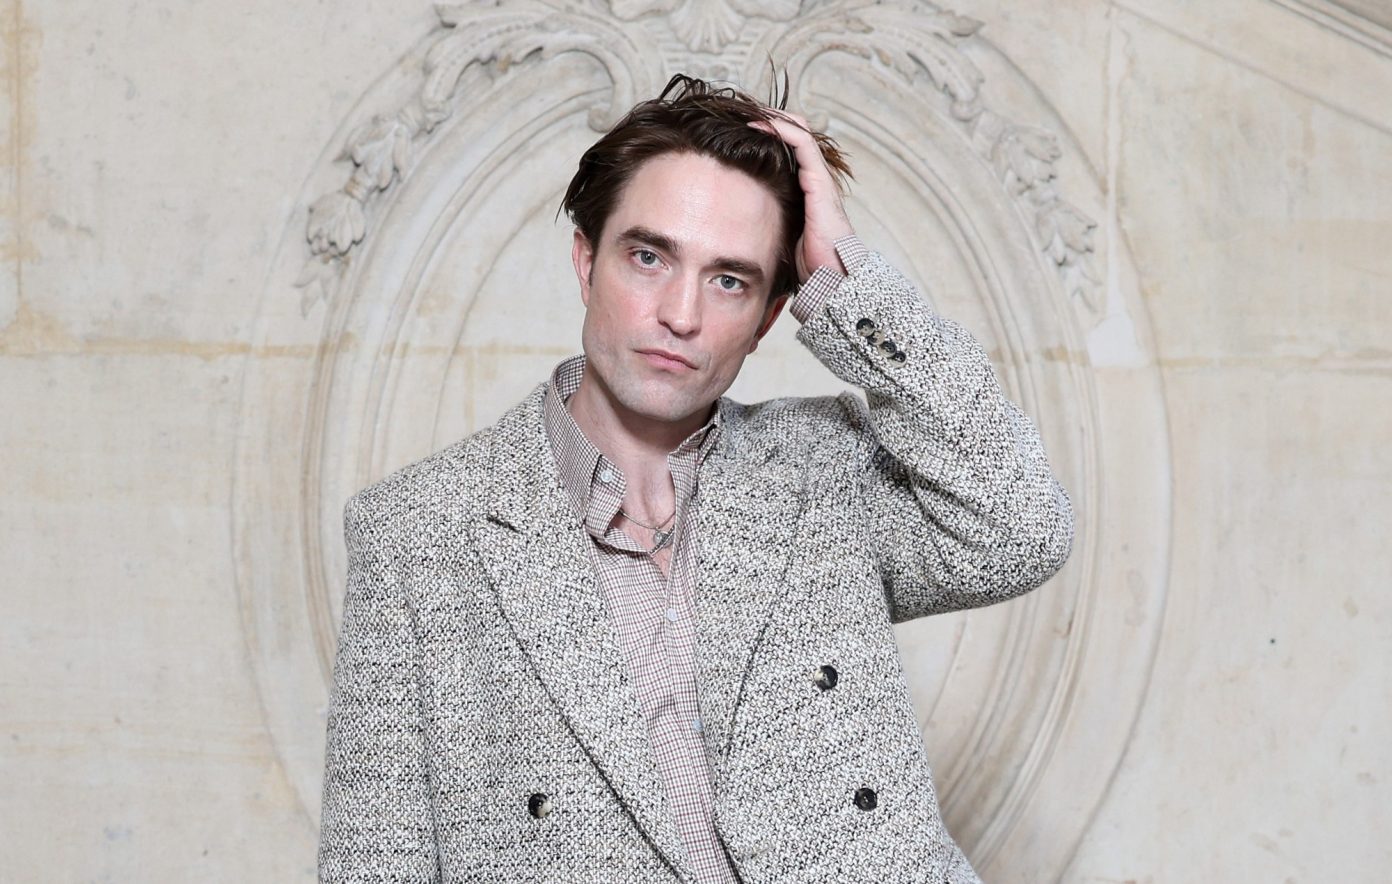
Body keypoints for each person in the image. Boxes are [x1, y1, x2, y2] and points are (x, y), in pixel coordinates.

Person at [317, 73, 1074, 883]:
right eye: (649, 258)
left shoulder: (823, 468)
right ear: (586, 261)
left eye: (729, 280)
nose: (681, 315)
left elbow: (1023, 528)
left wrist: (849, 286)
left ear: (769, 316)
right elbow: (375, 861)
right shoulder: (419, 533)